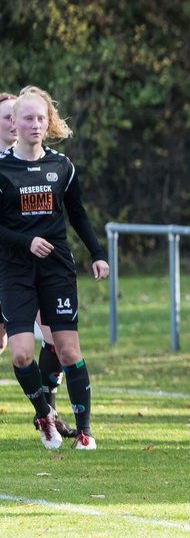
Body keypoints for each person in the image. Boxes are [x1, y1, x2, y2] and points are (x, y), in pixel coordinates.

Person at [0, 86, 109, 451]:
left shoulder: (61, 166)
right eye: (27, 118)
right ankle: (44, 412)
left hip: (56, 269)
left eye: (40, 118)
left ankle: (85, 432)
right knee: (20, 353)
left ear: (49, 123)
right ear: (14, 121)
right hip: (15, 269)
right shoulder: (2, 168)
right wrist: (24, 242)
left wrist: (97, 253)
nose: (34, 124)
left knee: (67, 351)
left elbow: (77, 213)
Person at [0, 92, 74, 437]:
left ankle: (47, 411)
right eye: (10, 117)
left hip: (33, 266)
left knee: (54, 339)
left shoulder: (40, 161)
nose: (23, 124)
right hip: (9, 265)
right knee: (8, 346)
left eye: (35, 117)